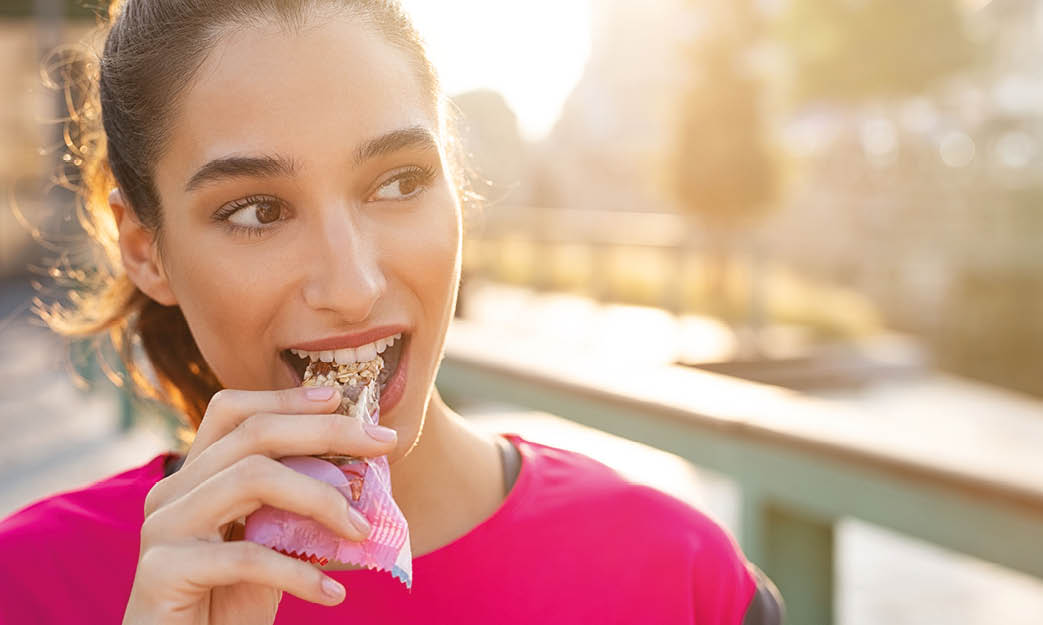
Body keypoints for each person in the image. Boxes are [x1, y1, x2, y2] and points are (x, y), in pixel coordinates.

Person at [0, 1, 783, 623]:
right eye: (256, 210)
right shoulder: (29, 589)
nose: (353, 282)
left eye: (399, 182)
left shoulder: (681, 578)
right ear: (145, 250)